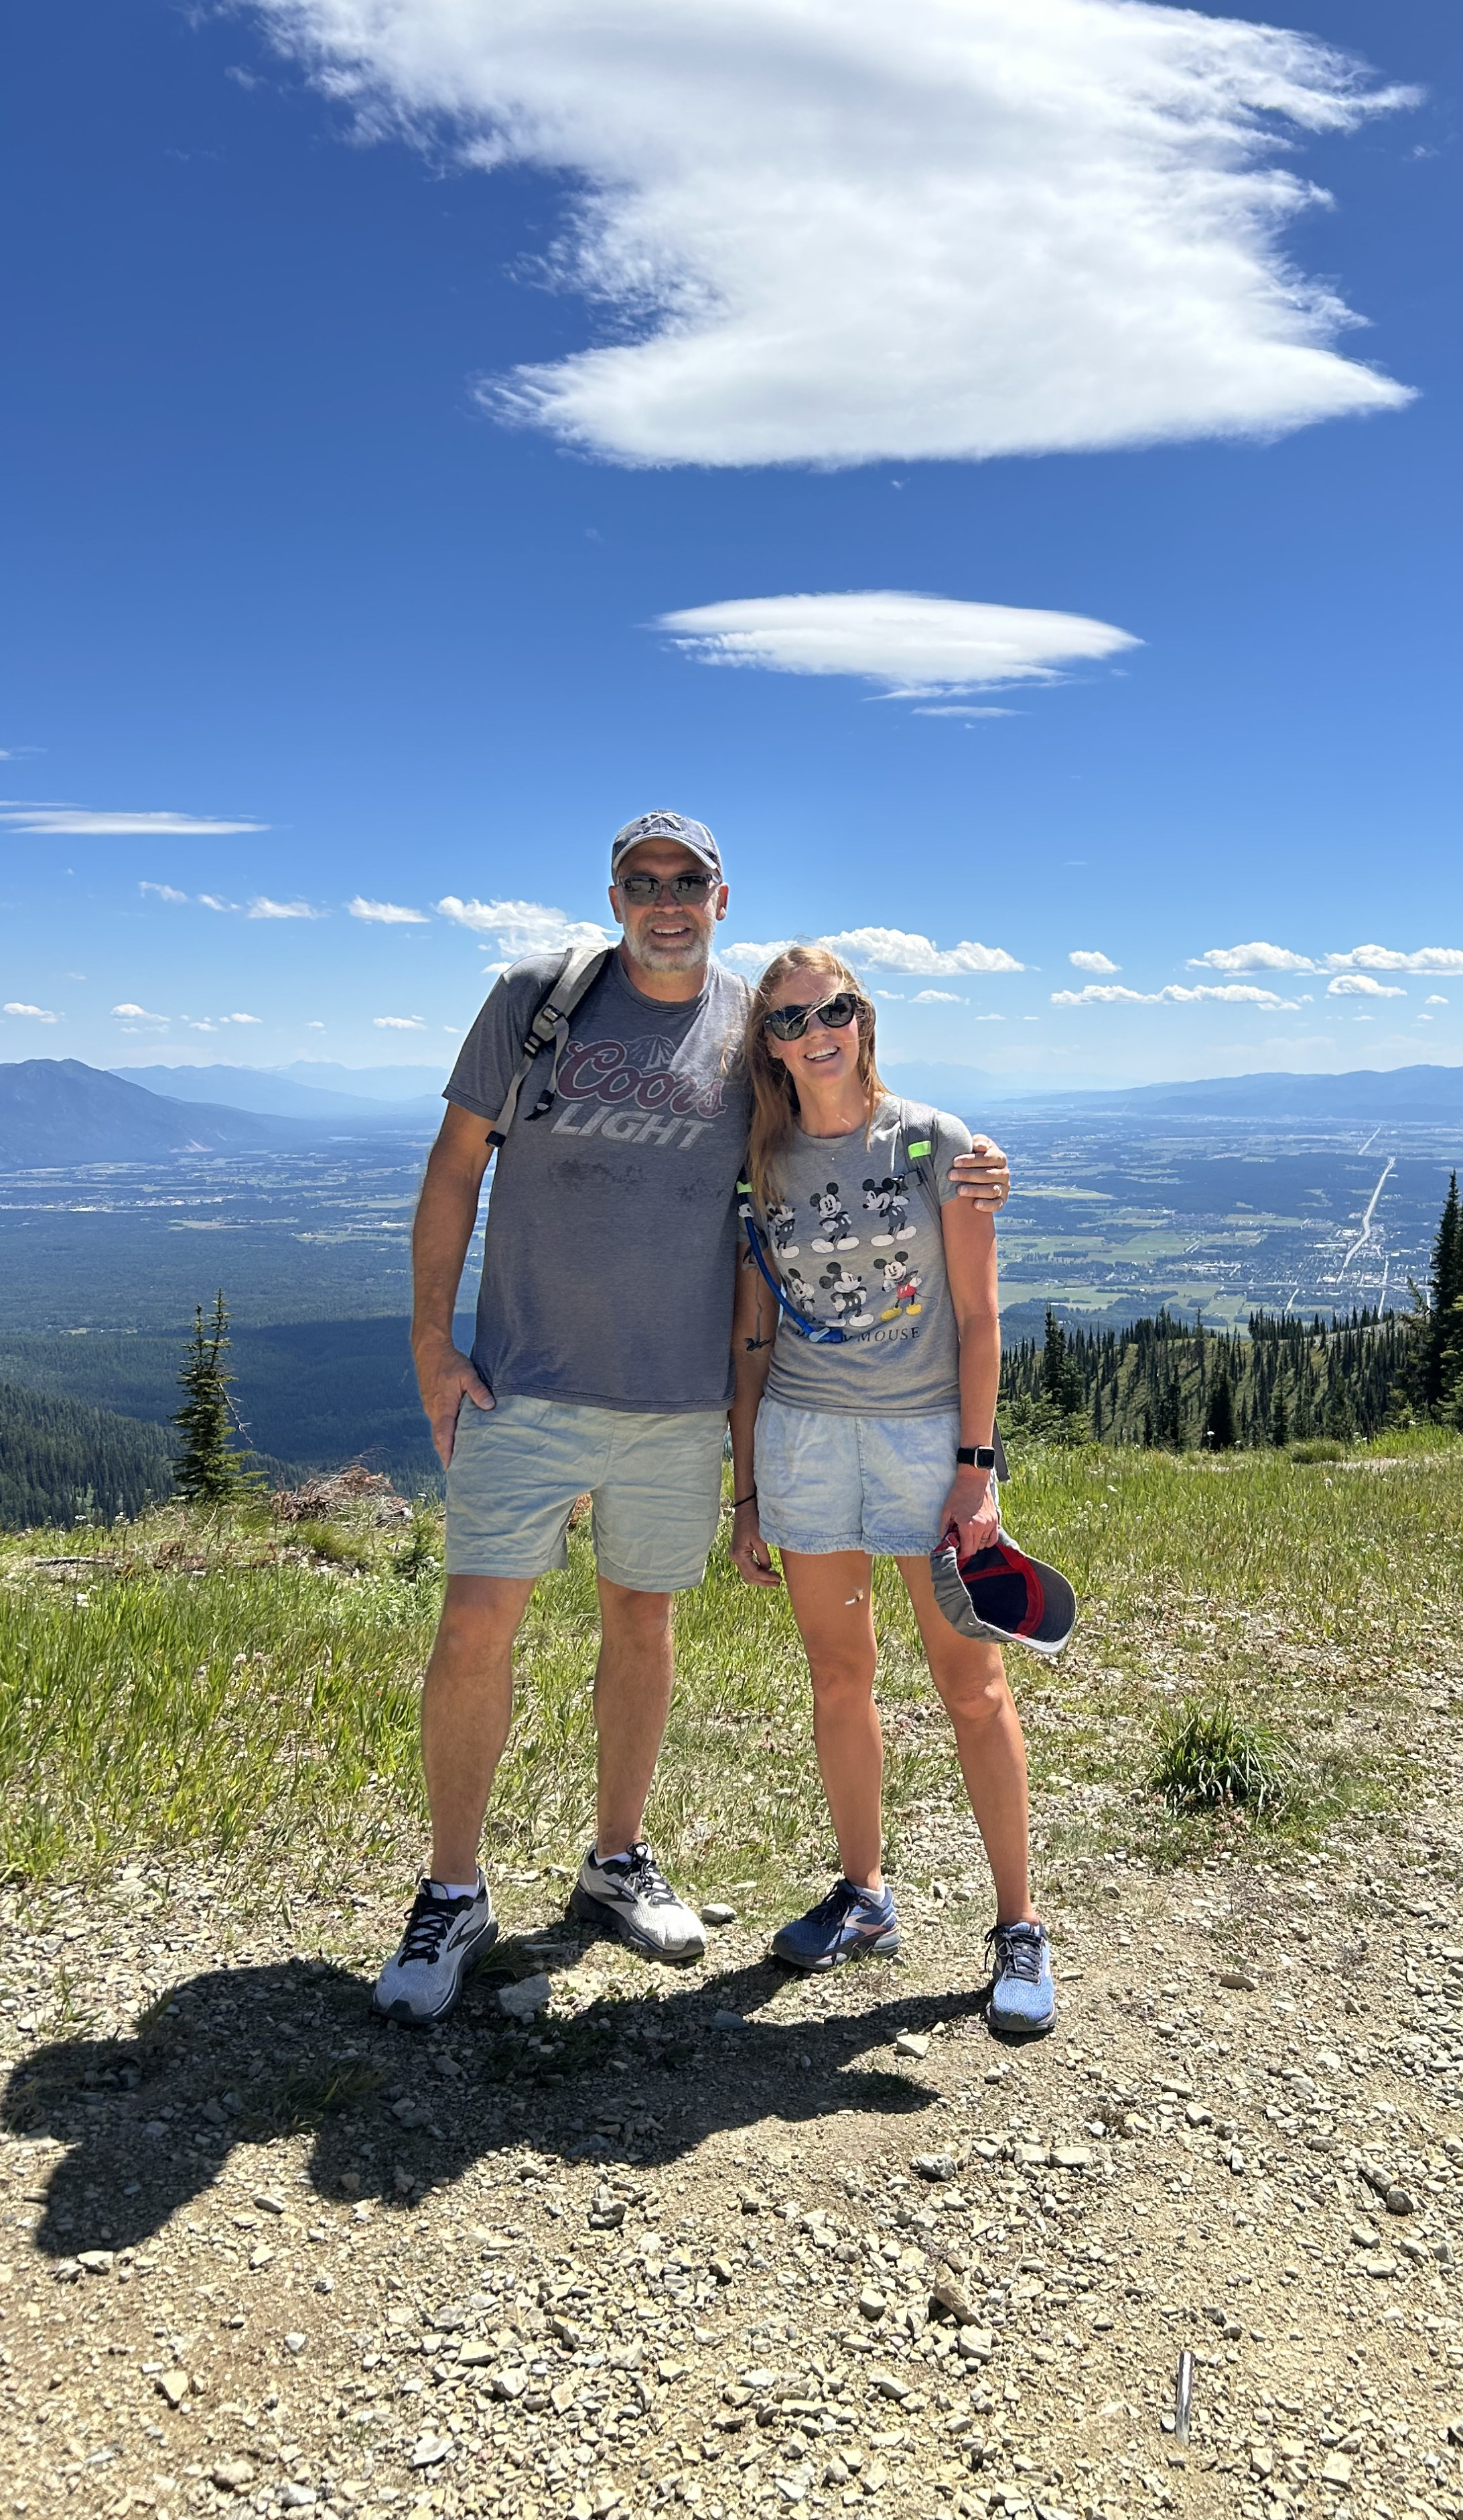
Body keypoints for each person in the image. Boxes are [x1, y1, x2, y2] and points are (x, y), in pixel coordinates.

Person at [375, 813, 1010, 2026]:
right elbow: (455, 1165)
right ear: (614, 896)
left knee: (644, 1625)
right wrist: (430, 1341)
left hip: (675, 1400)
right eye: (642, 882)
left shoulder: (746, 1032)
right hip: (522, 1376)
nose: (665, 901)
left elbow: (833, 1133)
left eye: (688, 882)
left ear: (723, 898)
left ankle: (616, 1859)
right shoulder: (535, 1000)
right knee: (472, 1629)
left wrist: (971, 1165)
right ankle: (453, 1891)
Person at [728, 945, 1056, 2038]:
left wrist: (977, 1471)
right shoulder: (758, 1160)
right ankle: (865, 1896)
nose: (816, 1032)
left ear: (865, 1017)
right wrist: (746, 1489)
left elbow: (979, 1316)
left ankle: (1019, 1924)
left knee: (973, 1686)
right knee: (838, 1676)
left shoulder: (934, 1143)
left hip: (924, 1443)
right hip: (805, 1438)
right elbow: (753, 1333)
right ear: (768, 1047)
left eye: (834, 1008)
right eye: (789, 1021)